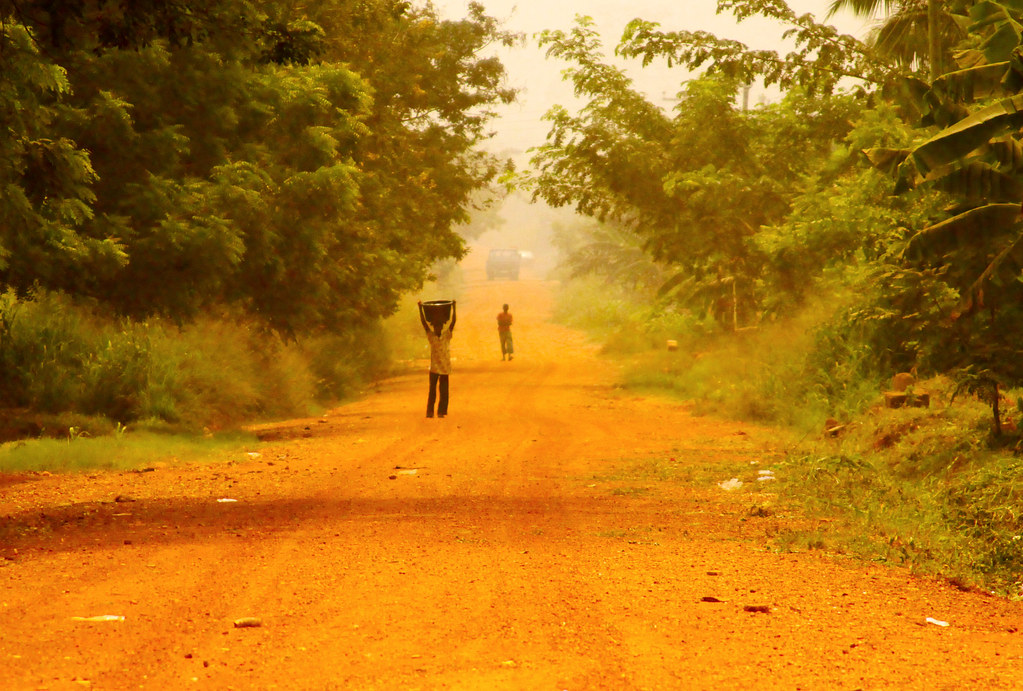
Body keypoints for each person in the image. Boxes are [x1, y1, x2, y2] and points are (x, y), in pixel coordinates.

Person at [418, 300, 456, 418]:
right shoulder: (431, 337)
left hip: (444, 367)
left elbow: (453, 321)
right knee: (432, 391)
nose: (437, 328)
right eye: (435, 326)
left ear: (442, 326)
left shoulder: (446, 336)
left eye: (438, 326)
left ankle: (441, 411)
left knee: (444, 391)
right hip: (434, 368)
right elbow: (424, 323)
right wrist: (420, 308)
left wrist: (454, 307)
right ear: (433, 327)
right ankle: (430, 412)